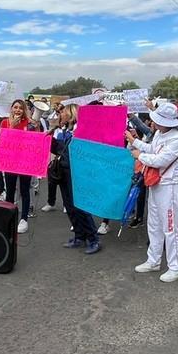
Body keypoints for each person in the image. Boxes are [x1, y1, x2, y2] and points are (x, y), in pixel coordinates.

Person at [128, 102, 178, 283]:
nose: (154, 123)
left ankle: (176, 267)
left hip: (169, 186)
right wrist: (135, 142)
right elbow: (152, 149)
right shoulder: (160, 135)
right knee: (153, 224)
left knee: (170, 228)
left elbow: (161, 160)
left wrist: (139, 155)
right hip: (155, 184)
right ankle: (153, 260)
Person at [51, 105, 101, 255]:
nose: (61, 114)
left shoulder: (81, 130)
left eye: (64, 112)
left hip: (78, 173)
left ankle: (93, 239)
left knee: (80, 207)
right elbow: (59, 150)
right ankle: (79, 236)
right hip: (64, 171)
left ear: (71, 113)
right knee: (70, 206)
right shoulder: (64, 131)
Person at [0, 99, 36, 234]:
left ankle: (24, 219)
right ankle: (9, 216)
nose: (18, 110)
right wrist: (12, 126)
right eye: (15, 107)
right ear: (11, 108)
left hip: (25, 161)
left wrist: (34, 126)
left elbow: (35, 142)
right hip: (10, 161)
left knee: (25, 190)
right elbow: (2, 141)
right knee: (10, 190)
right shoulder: (4, 122)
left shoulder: (29, 123)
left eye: (21, 108)